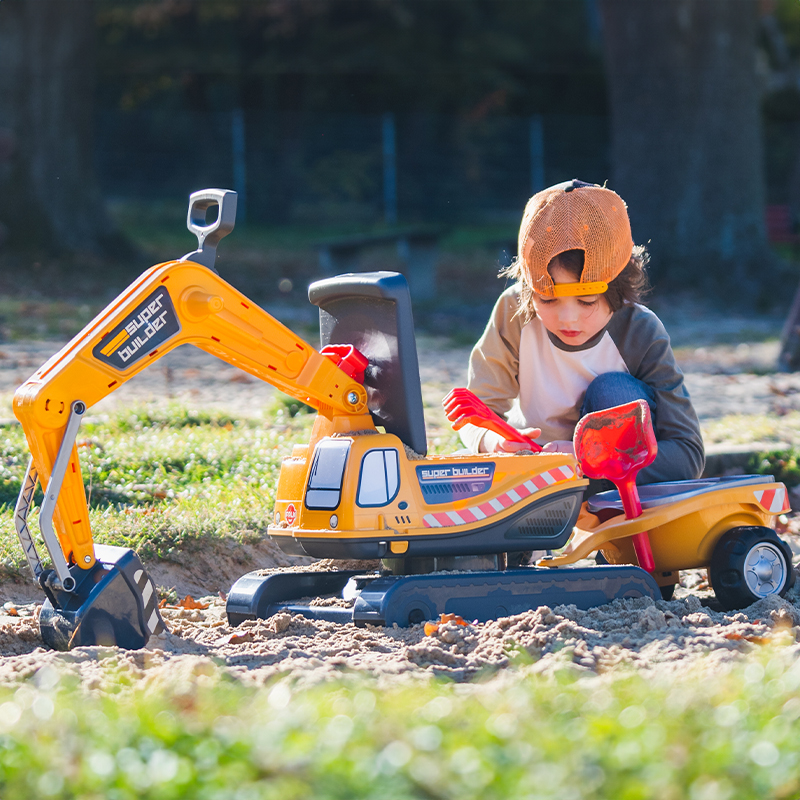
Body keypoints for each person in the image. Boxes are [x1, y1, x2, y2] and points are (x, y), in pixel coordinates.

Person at [459, 179, 704, 485]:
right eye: (547, 299)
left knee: (613, 391)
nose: (568, 319)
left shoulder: (639, 331)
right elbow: (476, 409)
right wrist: (491, 440)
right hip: (536, 478)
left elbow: (686, 455)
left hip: (612, 485)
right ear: (529, 289)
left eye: (587, 300)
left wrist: (585, 459)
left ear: (619, 289)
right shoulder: (515, 311)